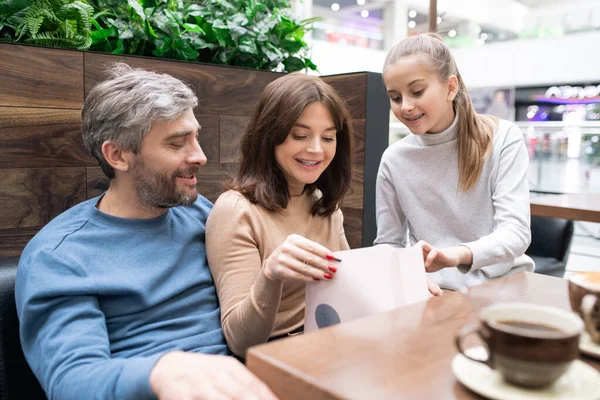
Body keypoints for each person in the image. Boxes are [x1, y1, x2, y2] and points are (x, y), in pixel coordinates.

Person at [15, 64, 276, 400]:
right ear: (118, 155)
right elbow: (71, 382)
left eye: (196, 137)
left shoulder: (203, 215)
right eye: (177, 143)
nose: (201, 156)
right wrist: (163, 371)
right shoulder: (59, 256)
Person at [206, 74, 353, 357]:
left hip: (328, 344)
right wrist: (271, 275)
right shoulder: (236, 210)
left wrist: (406, 280)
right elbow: (240, 341)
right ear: (269, 136)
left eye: (328, 137)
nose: (316, 149)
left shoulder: (323, 203)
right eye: (300, 135)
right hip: (276, 358)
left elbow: (349, 282)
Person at [374, 33, 534, 291]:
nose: (405, 107)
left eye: (417, 92)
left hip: (503, 288)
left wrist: (456, 255)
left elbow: (515, 233)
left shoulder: (503, 138)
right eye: (395, 97)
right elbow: (388, 244)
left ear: (450, 87)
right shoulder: (394, 160)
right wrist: (408, 279)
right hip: (433, 293)